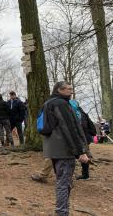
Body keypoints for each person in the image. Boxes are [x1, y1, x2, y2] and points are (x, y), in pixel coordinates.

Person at [42, 81, 89, 216]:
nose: (71, 91)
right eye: (68, 89)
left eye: (71, 89)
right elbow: (69, 129)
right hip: (64, 150)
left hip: (54, 149)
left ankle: (62, 210)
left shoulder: (49, 103)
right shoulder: (60, 104)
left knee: (63, 181)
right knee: (64, 182)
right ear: (59, 90)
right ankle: (62, 212)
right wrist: (80, 151)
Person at [76, 106, 97, 180]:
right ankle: (85, 174)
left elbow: (82, 127)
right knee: (84, 153)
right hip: (86, 138)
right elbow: (92, 127)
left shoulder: (76, 114)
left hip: (82, 138)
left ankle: (85, 175)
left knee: (81, 153)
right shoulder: (84, 113)